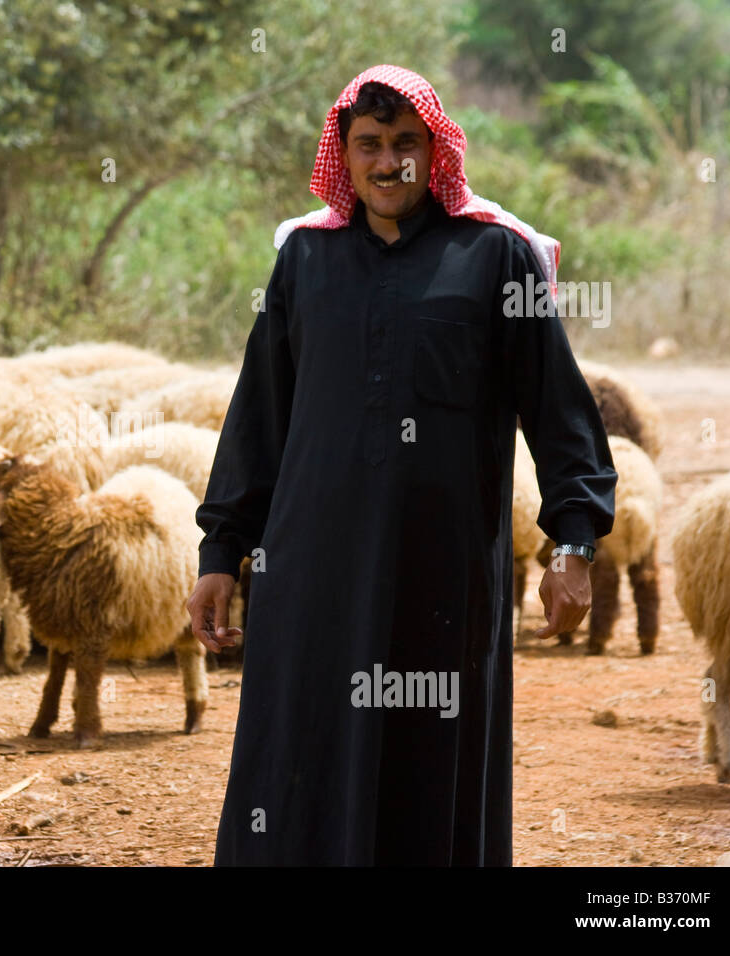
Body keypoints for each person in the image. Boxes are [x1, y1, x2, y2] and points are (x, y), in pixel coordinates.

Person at [185, 64, 617, 866]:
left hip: (440, 582)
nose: (389, 164)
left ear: (435, 151)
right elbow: (259, 422)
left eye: (406, 144)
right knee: (299, 773)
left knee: (431, 773)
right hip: (311, 581)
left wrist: (574, 546)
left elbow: (559, 415)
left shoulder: (495, 258)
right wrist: (222, 553)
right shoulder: (304, 264)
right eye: (370, 146)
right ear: (343, 158)